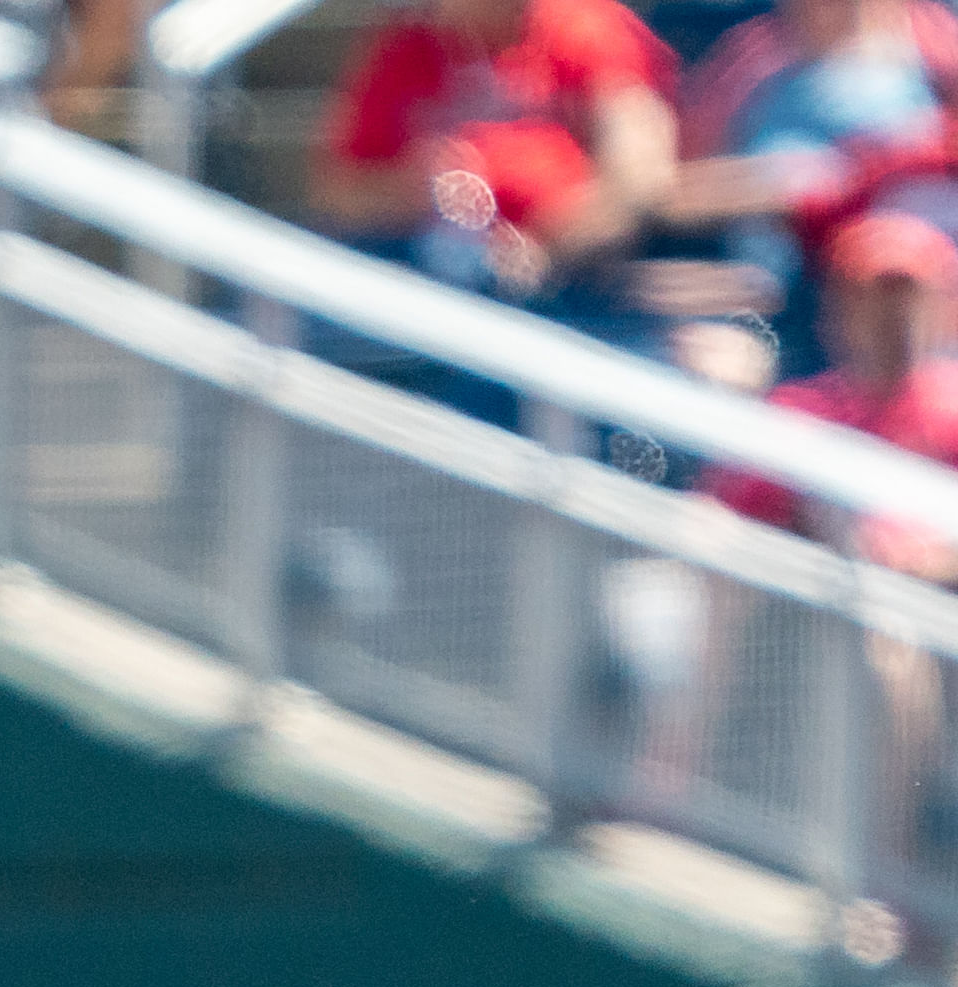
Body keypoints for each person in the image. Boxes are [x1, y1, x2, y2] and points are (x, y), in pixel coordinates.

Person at [648, 214, 958, 874]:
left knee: (892, 648)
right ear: (839, 308)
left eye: (907, 300)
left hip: (926, 617)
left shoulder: (951, 409)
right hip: (808, 620)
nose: (890, 319)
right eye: (873, 299)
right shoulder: (807, 412)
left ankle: (890, 881)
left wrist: (917, 557)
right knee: (715, 589)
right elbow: (716, 519)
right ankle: (664, 800)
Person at [313, 0, 679, 309]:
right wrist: (406, 189)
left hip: (578, 286)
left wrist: (547, 249)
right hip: (433, 285)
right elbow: (341, 191)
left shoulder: (584, 24)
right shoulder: (408, 44)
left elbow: (639, 176)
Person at [668, 0, 958, 373]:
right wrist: (774, 183)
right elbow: (673, 188)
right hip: (782, 297)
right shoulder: (751, 56)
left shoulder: (935, 44)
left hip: (918, 294)